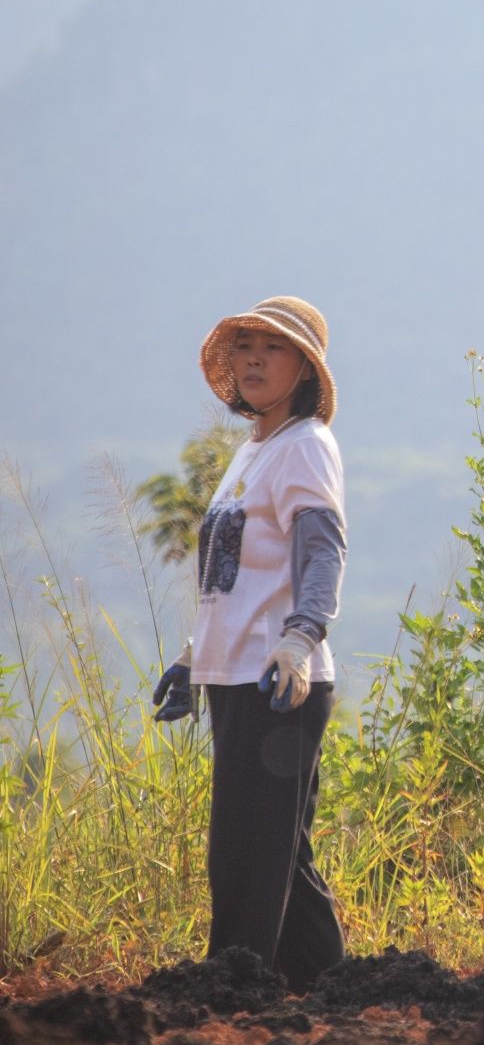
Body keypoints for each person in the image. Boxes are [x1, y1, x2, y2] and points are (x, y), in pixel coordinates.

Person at [152, 296, 348, 991]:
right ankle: (333, 989)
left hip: (278, 678)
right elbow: (233, 578)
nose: (255, 359)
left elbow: (322, 554)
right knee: (278, 850)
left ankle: (228, 992)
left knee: (245, 850)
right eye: (245, 347)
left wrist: (300, 640)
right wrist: (191, 654)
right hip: (232, 674)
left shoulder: (305, 445)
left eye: (274, 347)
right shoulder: (256, 450)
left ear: (304, 369)